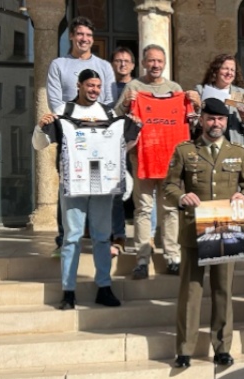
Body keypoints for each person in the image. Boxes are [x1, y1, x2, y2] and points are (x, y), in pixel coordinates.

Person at [33, 69, 141, 310]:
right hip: (74, 183)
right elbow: (39, 145)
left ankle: (104, 287)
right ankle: (68, 292)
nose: (94, 90)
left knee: (102, 237)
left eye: (98, 86)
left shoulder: (108, 112)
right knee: (72, 237)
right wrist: (40, 127)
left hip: (102, 183)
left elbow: (122, 146)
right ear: (79, 85)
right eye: (90, 85)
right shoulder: (64, 110)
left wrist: (134, 129)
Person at [163, 98, 244, 368]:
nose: (216, 123)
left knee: (223, 290)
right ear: (202, 120)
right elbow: (169, 186)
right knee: (190, 292)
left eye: (221, 119)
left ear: (227, 121)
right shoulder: (185, 151)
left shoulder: (238, 152)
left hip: (226, 230)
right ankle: (184, 349)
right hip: (194, 230)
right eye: (211, 118)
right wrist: (182, 197)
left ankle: (222, 347)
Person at [115, 44, 201, 279]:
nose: (155, 65)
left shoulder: (175, 90)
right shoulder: (134, 87)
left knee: (171, 209)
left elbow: (193, 123)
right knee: (143, 208)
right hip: (142, 158)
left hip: (171, 161)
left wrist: (196, 103)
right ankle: (142, 260)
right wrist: (126, 103)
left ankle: (173, 258)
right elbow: (117, 117)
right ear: (143, 63)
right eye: (151, 60)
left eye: (159, 61)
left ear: (165, 64)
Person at [46, 16, 116, 258]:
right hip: (70, 137)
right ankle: (63, 239)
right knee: (68, 186)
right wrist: (75, 122)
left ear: (92, 39)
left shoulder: (104, 66)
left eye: (88, 35)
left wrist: (94, 122)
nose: (84, 39)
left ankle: (102, 240)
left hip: (99, 138)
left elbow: (109, 101)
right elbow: (55, 102)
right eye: (80, 34)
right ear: (72, 36)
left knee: (100, 185)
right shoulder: (59, 65)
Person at [108, 46, 136, 259]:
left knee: (144, 194)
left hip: (138, 146)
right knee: (115, 193)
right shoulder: (105, 88)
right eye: (118, 61)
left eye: (126, 61)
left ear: (133, 65)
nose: (122, 64)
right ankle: (119, 235)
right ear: (112, 64)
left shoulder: (140, 87)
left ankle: (147, 237)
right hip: (112, 146)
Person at [194, 54, 244, 147]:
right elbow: (194, 121)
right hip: (206, 146)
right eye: (225, 68)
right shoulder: (202, 90)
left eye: (232, 70)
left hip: (233, 147)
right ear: (216, 70)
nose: (229, 72)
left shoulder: (240, 93)